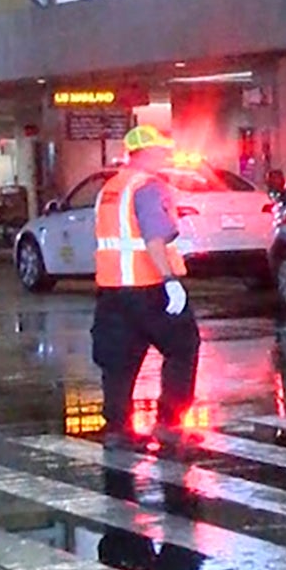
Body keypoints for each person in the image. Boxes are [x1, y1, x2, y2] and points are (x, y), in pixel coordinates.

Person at [92, 125, 200, 452]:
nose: (165, 156)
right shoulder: (149, 187)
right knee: (183, 346)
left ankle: (116, 429)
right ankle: (169, 424)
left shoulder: (110, 188)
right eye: (162, 151)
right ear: (147, 153)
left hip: (112, 290)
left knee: (119, 360)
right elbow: (154, 237)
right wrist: (171, 281)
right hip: (149, 286)